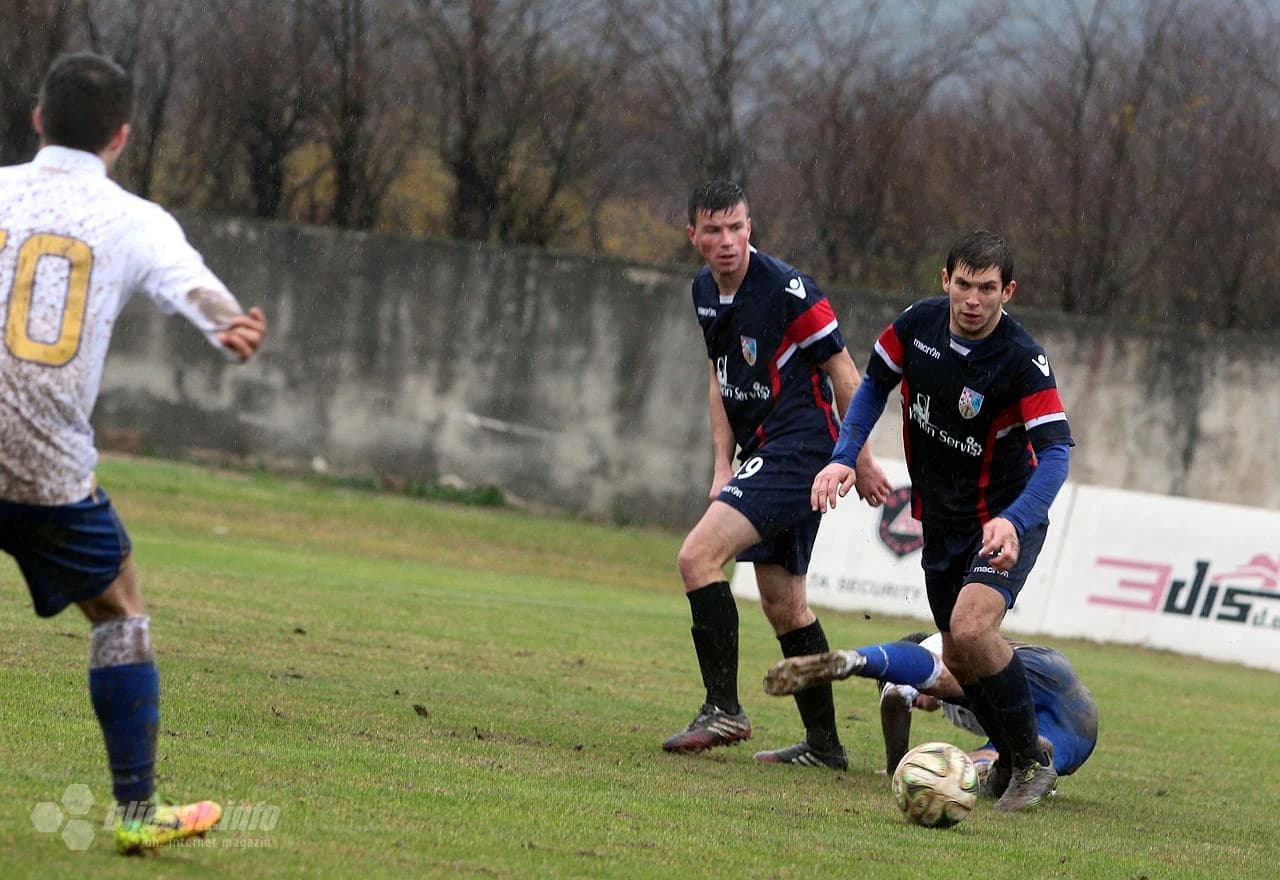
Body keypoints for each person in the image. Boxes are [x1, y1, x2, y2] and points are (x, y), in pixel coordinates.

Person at [0, 53, 267, 855]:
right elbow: (204, 298)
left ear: (39, 118)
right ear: (121, 135)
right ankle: (137, 810)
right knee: (118, 608)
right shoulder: (137, 220)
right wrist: (231, 324)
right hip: (45, 469)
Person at [809, 230, 1073, 809]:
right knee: (957, 656)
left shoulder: (1022, 358)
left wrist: (1014, 519)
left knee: (975, 628)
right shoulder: (916, 327)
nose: (971, 300)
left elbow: (1056, 454)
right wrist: (841, 457)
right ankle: (1016, 752)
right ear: (944, 280)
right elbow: (872, 387)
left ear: (1009, 291)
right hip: (943, 523)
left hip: (1005, 521)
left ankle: (1030, 763)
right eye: (962, 285)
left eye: (986, 288)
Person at [661, 179, 891, 770]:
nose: (727, 240)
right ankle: (825, 746)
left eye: (736, 226)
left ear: (750, 227)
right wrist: (721, 464)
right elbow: (720, 377)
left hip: (802, 449)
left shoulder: (790, 288)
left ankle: (723, 708)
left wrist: (856, 457)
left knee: (696, 558)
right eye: (712, 230)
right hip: (763, 449)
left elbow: (844, 371)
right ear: (694, 236)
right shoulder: (703, 292)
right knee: (785, 603)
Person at [762, 633, 1098, 793]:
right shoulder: (955, 706)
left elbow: (895, 695)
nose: (919, 703)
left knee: (949, 680)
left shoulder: (936, 644)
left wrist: (897, 766)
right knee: (990, 769)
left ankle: (861, 659)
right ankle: (1025, 762)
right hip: (1075, 732)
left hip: (1037, 671)